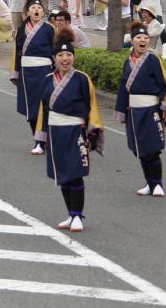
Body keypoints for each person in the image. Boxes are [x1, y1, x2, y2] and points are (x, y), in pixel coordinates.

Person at [35, 29, 103, 233]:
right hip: (55, 132)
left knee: (75, 173)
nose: (65, 59)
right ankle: (70, 213)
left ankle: (78, 215)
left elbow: (92, 106)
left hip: (75, 131)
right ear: (54, 58)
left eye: (68, 55)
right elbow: (44, 110)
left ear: (73, 57)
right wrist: (42, 136)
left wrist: (92, 133)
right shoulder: (47, 80)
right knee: (63, 174)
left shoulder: (82, 79)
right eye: (60, 55)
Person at [115, 22, 166, 197]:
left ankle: (157, 183)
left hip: (150, 110)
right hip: (133, 111)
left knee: (152, 148)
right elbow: (123, 88)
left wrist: (164, 106)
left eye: (145, 37)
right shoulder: (127, 62)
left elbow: (162, 85)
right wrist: (121, 110)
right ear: (132, 41)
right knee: (140, 149)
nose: (143, 40)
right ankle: (149, 183)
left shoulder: (153, 60)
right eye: (138, 37)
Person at [12, 0, 55, 155]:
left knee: (43, 106)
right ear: (27, 12)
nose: (36, 10)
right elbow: (17, 52)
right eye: (33, 8)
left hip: (44, 71)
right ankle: (38, 139)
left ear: (43, 12)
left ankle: (41, 142)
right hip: (26, 72)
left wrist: (57, 72)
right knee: (30, 108)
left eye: (39, 8)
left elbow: (56, 51)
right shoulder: (22, 29)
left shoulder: (49, 29)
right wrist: (16, 72)